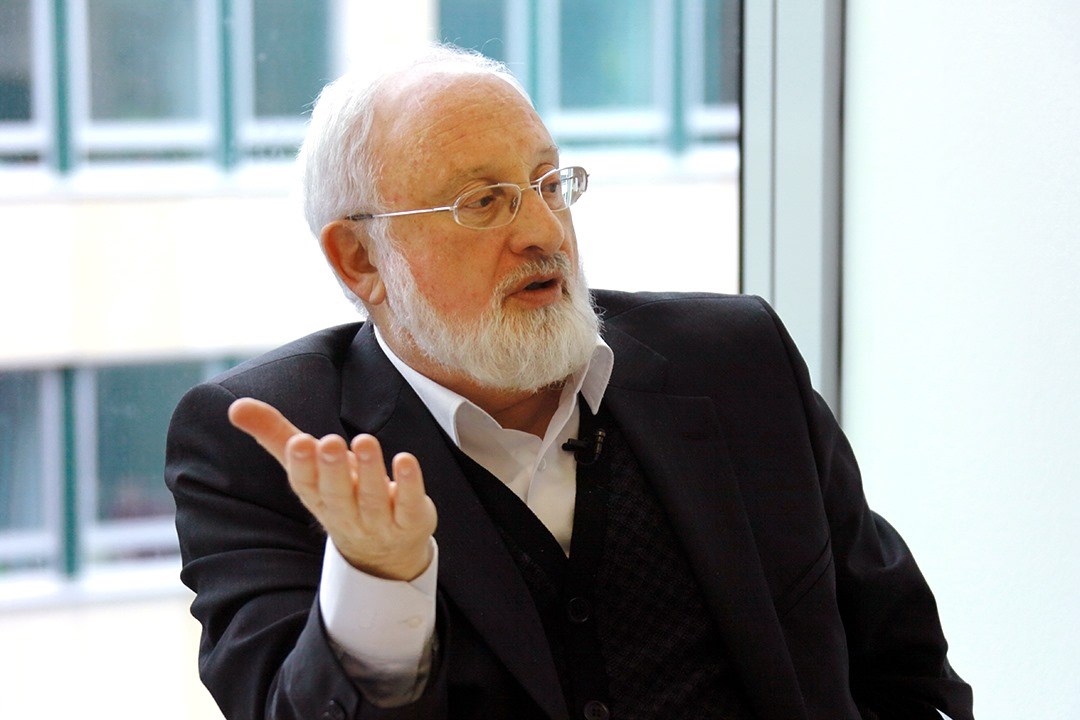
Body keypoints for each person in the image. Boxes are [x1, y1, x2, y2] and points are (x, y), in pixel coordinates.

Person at [165, 45, 974, 720]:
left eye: (549, 185)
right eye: (484, 202)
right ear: (359, 259)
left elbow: (903, 663)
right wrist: (380, 577)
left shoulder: (737, 364)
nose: (543, 231)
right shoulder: (270, 446)